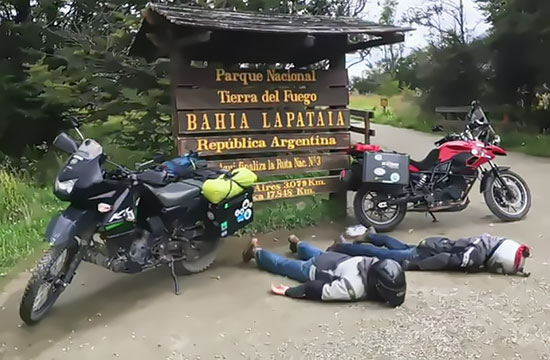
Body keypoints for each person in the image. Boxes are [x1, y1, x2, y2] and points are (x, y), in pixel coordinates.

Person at [241, 235, 406, 306]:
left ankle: (297, 244)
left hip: (333, 259)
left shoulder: (375, 263)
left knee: (313, 252)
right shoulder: (353, 287)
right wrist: (289, 291)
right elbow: (317, 289)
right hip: (319, 267)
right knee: (282, 265)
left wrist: (291, 291)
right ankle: (256, 253)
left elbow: (316, 288)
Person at [329, 225, 531, 276]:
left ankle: (370, 235)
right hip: (430, 253)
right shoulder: (476, 256)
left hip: (434, 243)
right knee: (385, 255)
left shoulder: (488, 241)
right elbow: (444, 260)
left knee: (399, 246)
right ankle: (341, 247)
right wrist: (415, 266)